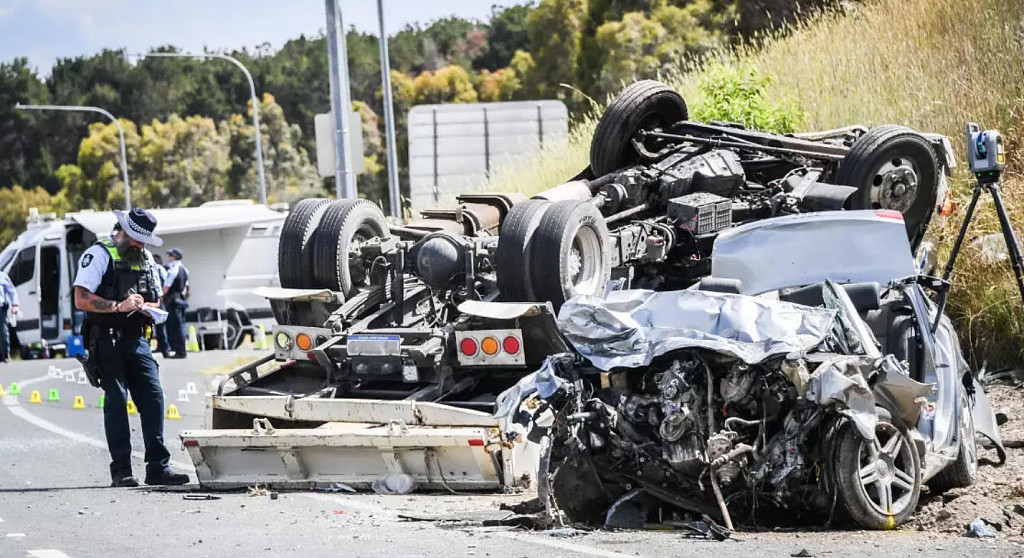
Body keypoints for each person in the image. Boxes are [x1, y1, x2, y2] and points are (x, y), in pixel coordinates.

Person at [73, 207, 189, 487]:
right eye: (136, 238)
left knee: (153, 397)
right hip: (106, 339)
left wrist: (147, 306)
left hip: (137, 338)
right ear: (121, 231)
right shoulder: (99, 254)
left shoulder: (146, 257)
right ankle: (122, 471)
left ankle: (158, 468)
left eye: (144, 239)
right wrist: (117, 306)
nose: (140, 244)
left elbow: (156, 298)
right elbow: (81, 298)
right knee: (116, 401)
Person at [163, 247, 189, 359]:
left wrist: (160, 296)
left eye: (171, 255)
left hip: (173, 301)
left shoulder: (173, 269)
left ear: (175, 257)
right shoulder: (185, 269)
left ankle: (180, 351)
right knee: (181, 326)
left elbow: (166, 287)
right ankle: (181, 350)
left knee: (176, 327)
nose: (169, 258)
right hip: (182, 300)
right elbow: (187, 287)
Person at [151, 254, 170, 358]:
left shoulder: (159, 269)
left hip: (159, 300)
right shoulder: (157, 269)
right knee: (159, 326)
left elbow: (166, 283)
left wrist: (161, 296)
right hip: (158, 299)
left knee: (161, 326)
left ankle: (165, 349)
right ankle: (161, 346)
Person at [0, 269, 18, 363]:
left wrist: (15, 305)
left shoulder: (3, 276)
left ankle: (6, 354)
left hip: (1, 309)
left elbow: (11, 291)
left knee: (3, 332)